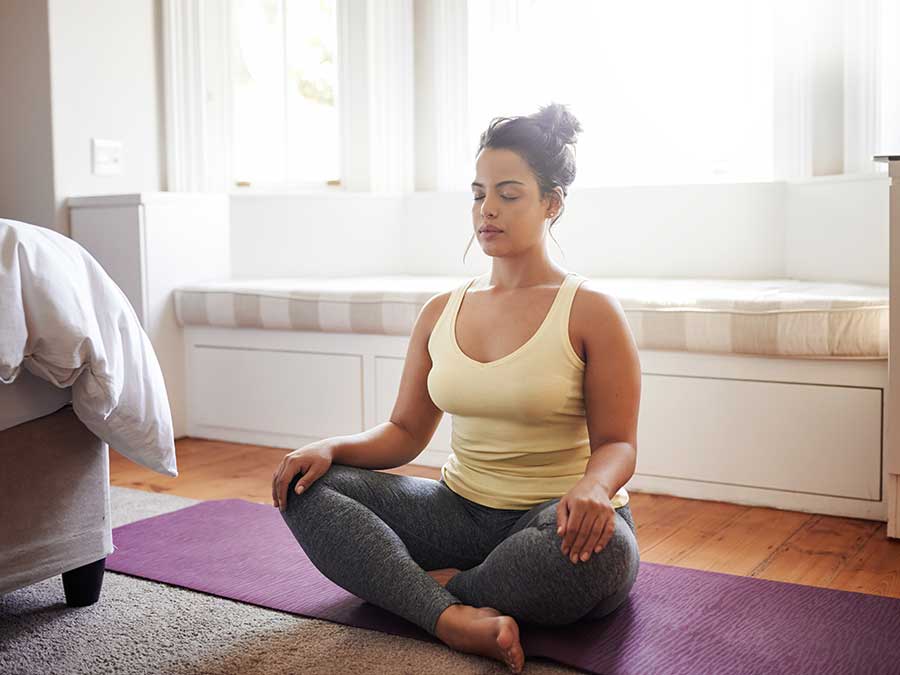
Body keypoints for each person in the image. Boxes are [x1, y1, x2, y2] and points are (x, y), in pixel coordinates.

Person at [271, 102, 641, 674]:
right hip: (456, 512)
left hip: (554, 520)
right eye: (477, 193)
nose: (487, 209)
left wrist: (594, 487)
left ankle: (427, 588)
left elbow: (619, 444)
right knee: (304, 488)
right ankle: (451, 616)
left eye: (509, 194)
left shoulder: (591, 310)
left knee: (606, 554)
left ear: (552, 202)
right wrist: (330, 448)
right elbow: (404, 433)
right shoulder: (440, 311)